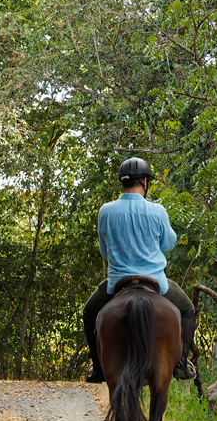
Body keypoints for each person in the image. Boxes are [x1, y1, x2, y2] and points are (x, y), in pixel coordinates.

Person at [83, 157, 196, 383]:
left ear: (122, 183)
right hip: (156, 282)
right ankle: (182, 364)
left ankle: (97, 367)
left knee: (89, 312)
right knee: (187, 310)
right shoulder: (157, 211)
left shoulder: (106, 211)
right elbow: (169, 244)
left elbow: (104, 251)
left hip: (117, 283)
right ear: (145, 182)